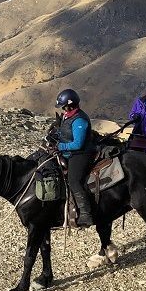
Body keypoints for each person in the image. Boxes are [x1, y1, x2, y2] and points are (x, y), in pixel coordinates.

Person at [53, 88, 96, 228]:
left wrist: (61, 147)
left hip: (81, 154)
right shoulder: (68, 116)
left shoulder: (80, 120)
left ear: (70, 105)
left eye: (64, 107)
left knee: (74, 180)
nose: (64, 110)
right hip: (68, 152)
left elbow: (77, 144)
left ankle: (85, 213)